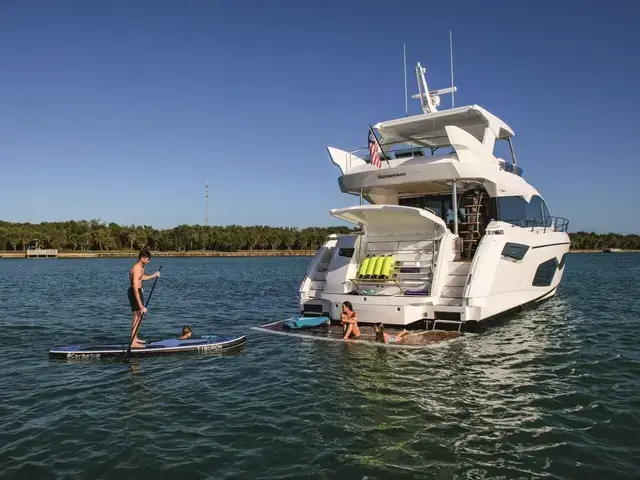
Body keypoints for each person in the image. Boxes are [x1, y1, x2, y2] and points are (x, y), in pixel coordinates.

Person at [128, 249, 160, 348]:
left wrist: (154, 275)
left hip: (139, 292)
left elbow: (141, 278)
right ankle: (133, 342)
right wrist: (141, 305)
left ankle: (135, 338)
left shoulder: (141, 267)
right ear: (142, 258)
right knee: (137, 316)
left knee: (139, 316)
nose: (148, 261)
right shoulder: (136, 268)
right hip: (135, 293)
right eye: (147, 259)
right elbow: (134, 287)